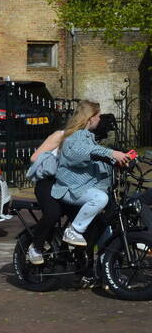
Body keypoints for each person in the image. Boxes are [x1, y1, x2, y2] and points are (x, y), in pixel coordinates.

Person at [51, 100, 130, 247]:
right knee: (100, 198)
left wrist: (117, 160)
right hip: (70, 189)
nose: (100, 120)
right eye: (98, 116)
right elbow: (84, 153)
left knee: (106, 212)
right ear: (90, 118)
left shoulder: (87, 136)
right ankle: (74, 230)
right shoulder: (75, 137)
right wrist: (112, 153)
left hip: (81, 188)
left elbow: (95, 157)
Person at [24, 127, 64, 264]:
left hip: (67, 185)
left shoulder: (89, 138)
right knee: (53, 213)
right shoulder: (60, 135)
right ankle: (36, 246)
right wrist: (54, 163)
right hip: (48, 182)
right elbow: (34, 158)